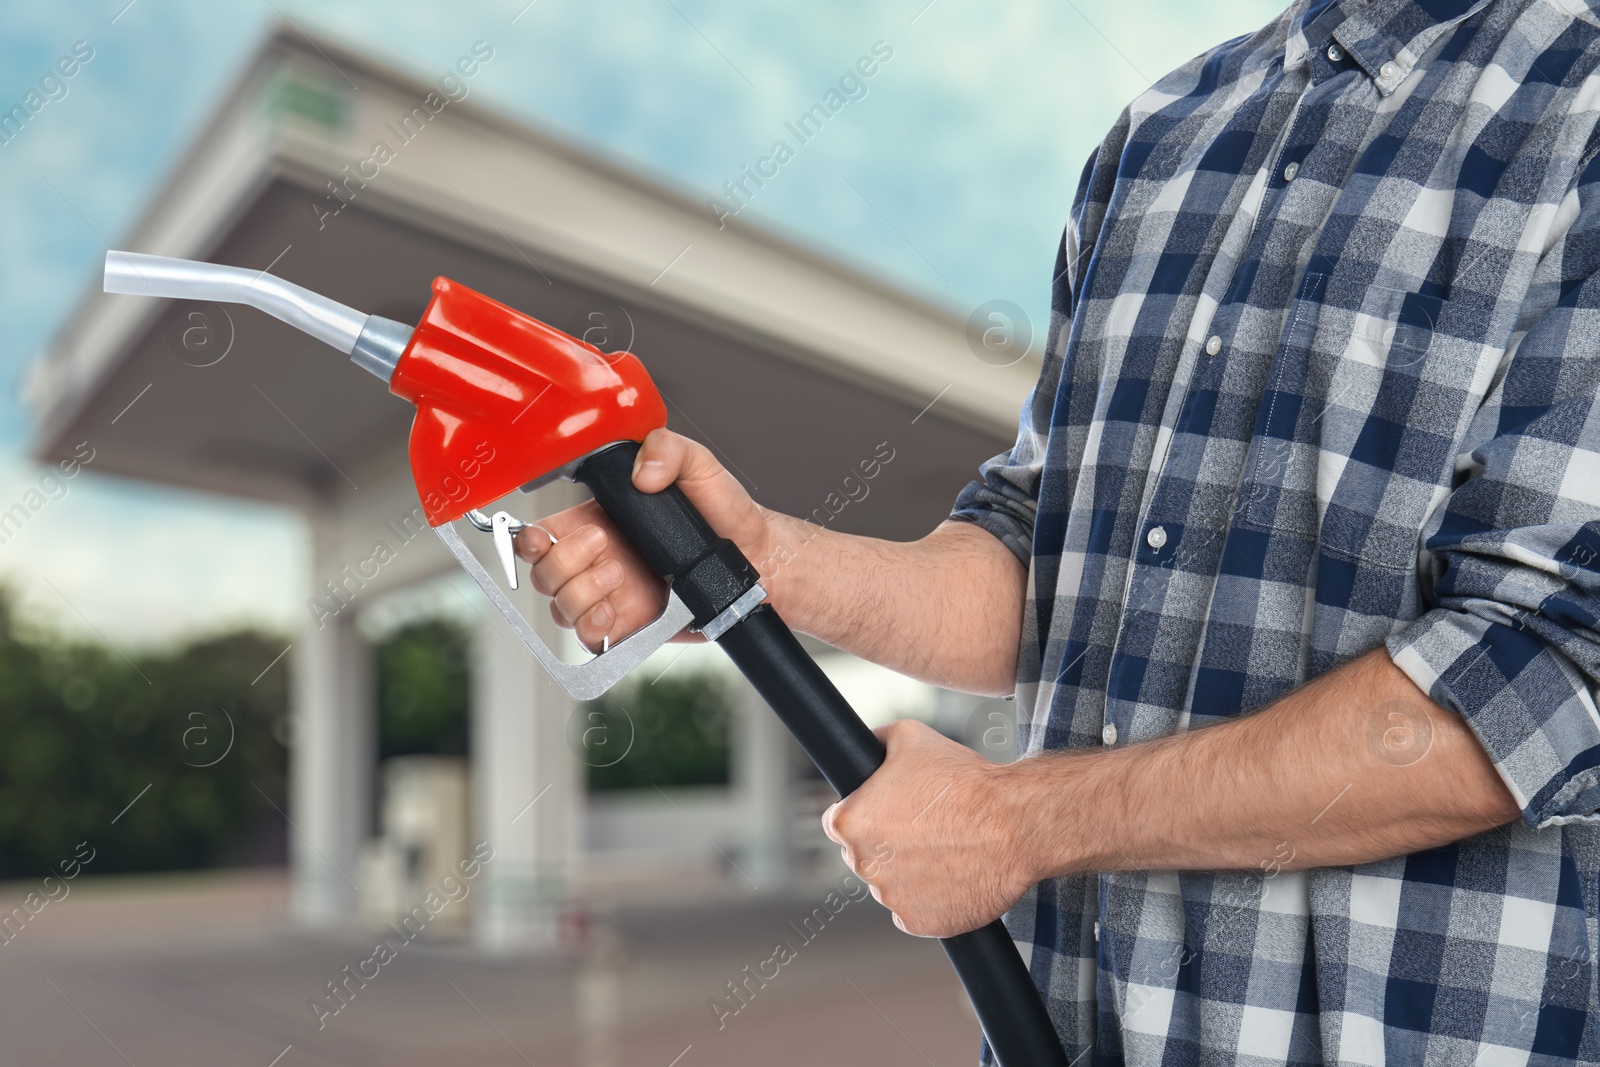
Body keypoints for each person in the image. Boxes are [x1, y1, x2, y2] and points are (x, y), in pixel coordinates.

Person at [517, 0, 1600, 1061]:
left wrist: (1019, 822)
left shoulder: (1577, 109)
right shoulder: (1162, 134)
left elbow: (1544, 674)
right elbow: (1047, 568)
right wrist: (764, 558)